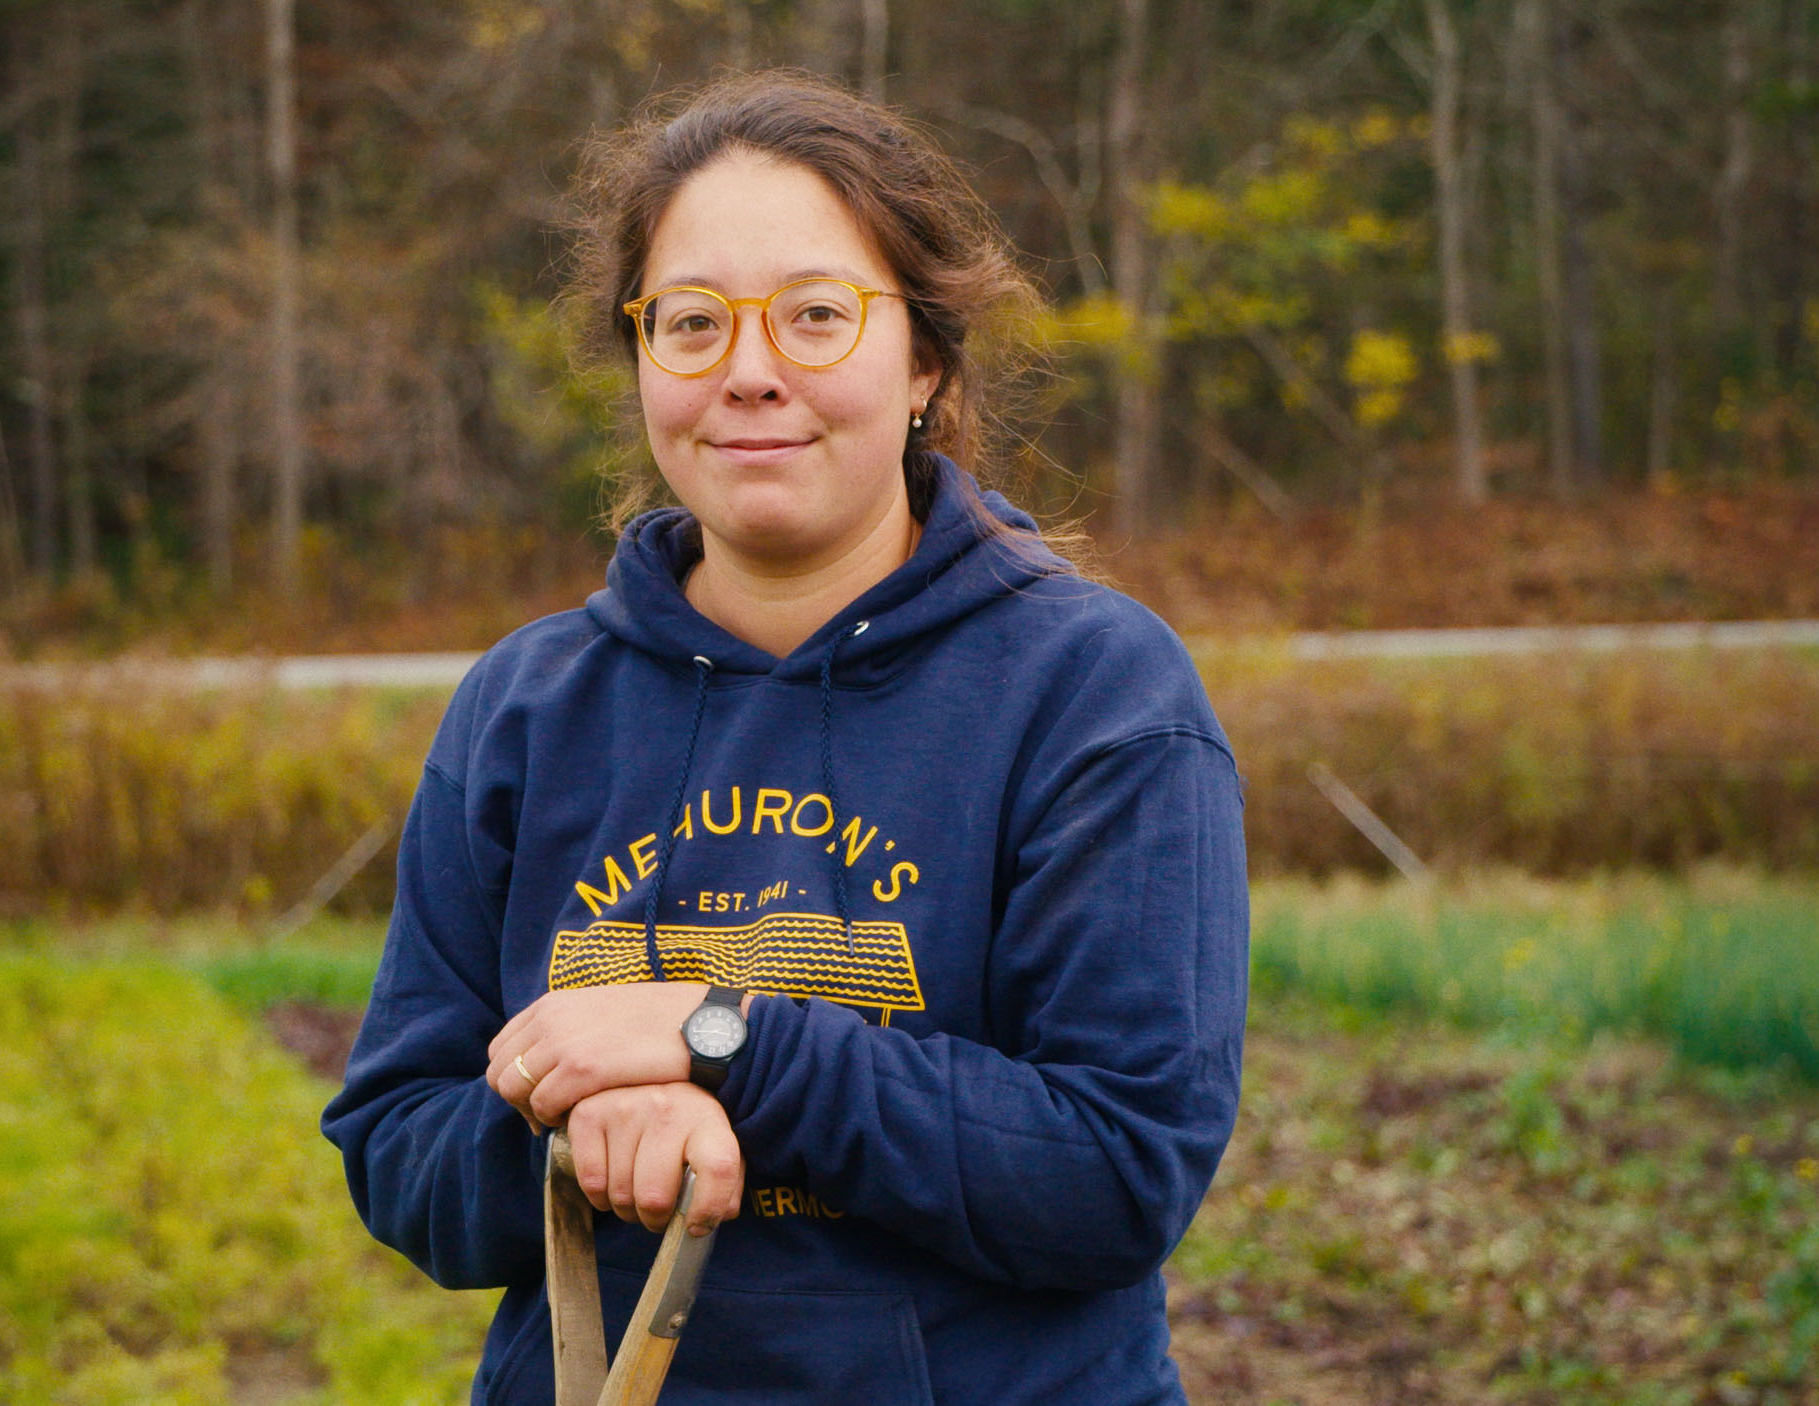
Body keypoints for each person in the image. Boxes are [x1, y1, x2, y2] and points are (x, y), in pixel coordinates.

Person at [321, 70, 1248, 1406]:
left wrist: (727, 1047)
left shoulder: (1097, 691)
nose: (750, 373)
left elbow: (1112, 1172)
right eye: (691, 322)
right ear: (641, 357)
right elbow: (397, 1141)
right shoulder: (527, 707)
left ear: (924, 357)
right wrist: (585, 1138)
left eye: (817, 316)